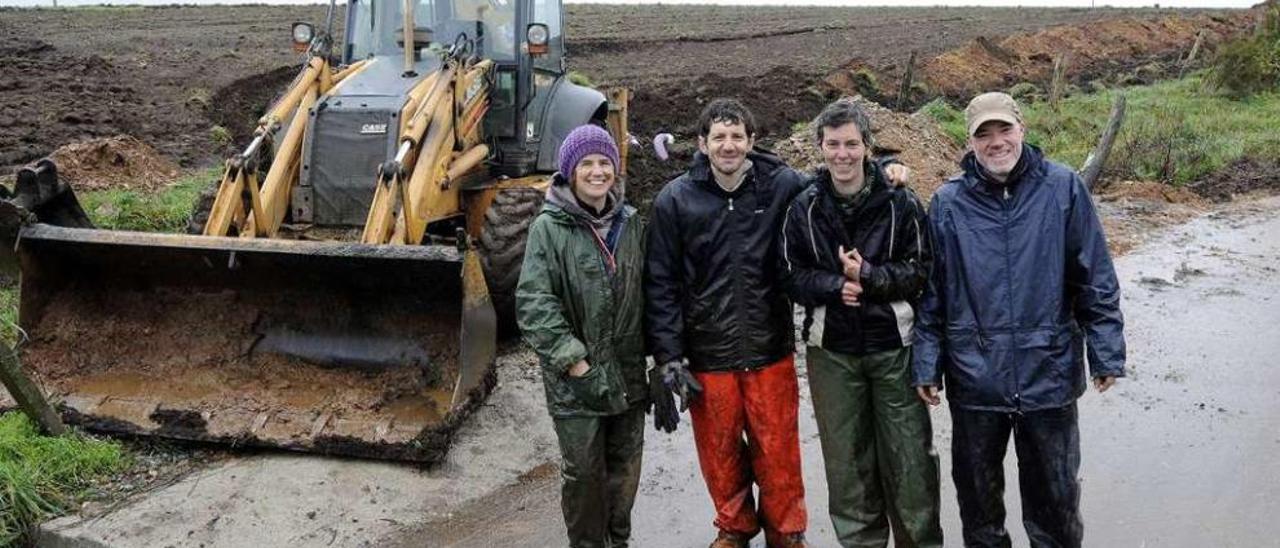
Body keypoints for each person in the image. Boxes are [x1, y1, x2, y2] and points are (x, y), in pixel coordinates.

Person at [645, 98, 910, 548]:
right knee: (720, 450)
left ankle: (786, 531)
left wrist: (884, 166)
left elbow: (834, 183)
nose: (728, 146)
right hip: (709, 352)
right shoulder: (675, 200)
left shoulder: (781, 185)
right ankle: (734, 526)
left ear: (752, 141)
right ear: (701, 144)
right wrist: (668, 355)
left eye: (736, 137)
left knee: (778, 450)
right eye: (718, 137)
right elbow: (661, 282)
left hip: (769, 347)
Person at [911, 92, 1126, 548]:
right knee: (979, 509)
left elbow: (1095, 276)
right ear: (969, 143)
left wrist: (1105, 351)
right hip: (975, 377)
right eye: (983, 134)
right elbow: (933, 292)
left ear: (1022, 130)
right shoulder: (948, 203)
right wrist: (927, 362)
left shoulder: (1063, 188)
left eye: (1003, 129)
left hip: (1047, 372)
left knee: (1055, 506)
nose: (996, 142)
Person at [779, 100, 942, 548]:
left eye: (852, 144)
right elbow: (790, 276)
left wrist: (868, 277)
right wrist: (835, 286)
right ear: (820, 148)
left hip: (895, 348)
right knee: (847, 467)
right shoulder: (804, 209)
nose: (842, 154)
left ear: (868, 147)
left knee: (909, 461)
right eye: (833, 145)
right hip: (831, 352)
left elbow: (921, 270)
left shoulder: (900, 203)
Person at [516, 124, 648, 548]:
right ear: (570, 172)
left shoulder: (631, 223)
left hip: (627, 373)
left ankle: (619, 539)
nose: (597, 172)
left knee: (625, 468)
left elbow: (653, 290)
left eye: (604, 162)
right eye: (587, 163)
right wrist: (575, 361)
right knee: (585, 474)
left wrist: (665, 357)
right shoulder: (549, 228)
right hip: (577, 381)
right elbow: (535, 303)